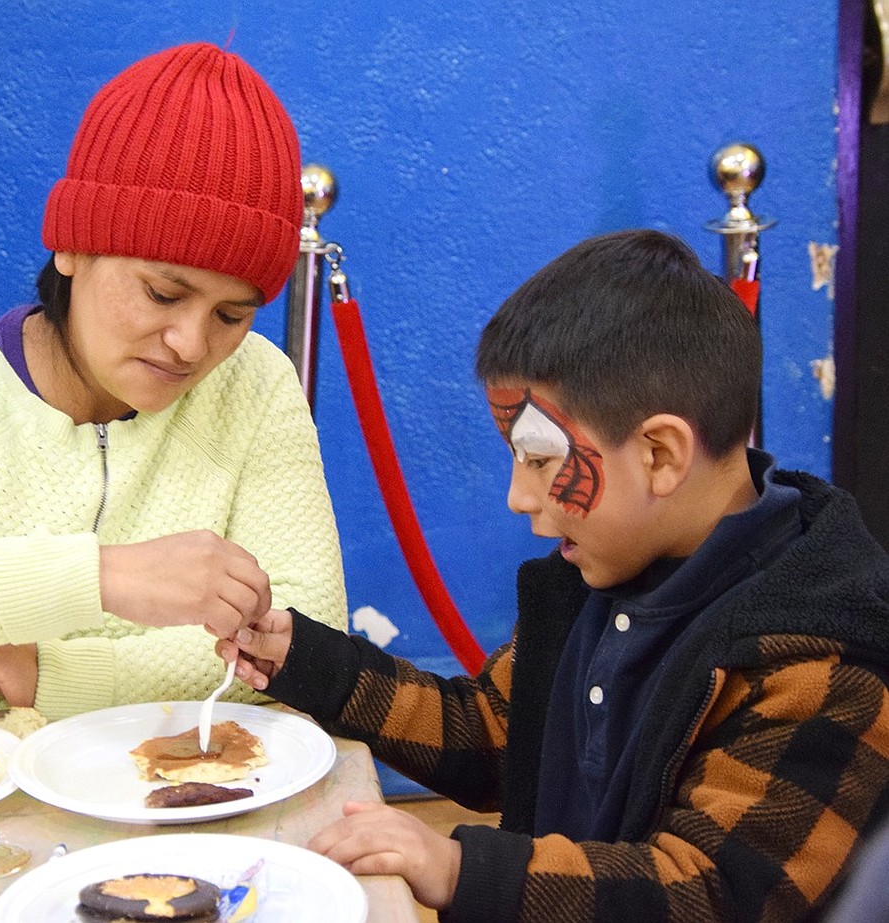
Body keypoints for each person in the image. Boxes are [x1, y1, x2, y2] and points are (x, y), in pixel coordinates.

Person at [223, 230, 889, 921]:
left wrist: (460, 867)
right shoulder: (593, 577)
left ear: (660, 453)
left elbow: (706, 893)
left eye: (539, 459)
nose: (518, 494)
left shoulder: (821, 660)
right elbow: (491, 732)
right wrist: (303, 657)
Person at [0, 42, 346, 720]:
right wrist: (104, 577)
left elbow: (304, 637)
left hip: (174, 792)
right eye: (163, 293)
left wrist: (54, 675)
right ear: (73, 245)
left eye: (232, 314)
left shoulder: (255, 386)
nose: (193, 344)